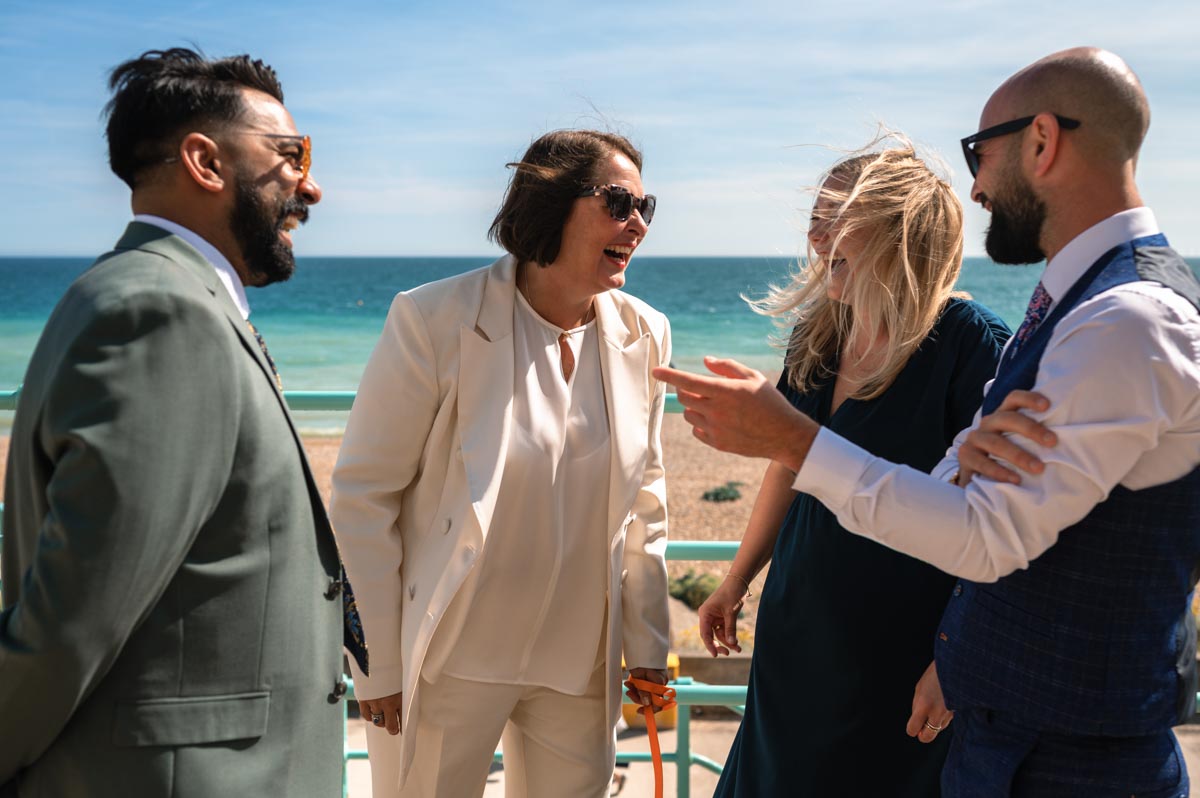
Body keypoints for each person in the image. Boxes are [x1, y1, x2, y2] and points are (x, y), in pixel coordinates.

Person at [655, 47, 1200, 797]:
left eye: (982, 152)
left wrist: (792, 438)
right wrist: (746, 568)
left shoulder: (1124, 320)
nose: (972, 186)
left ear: (1042, 141)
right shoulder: (1075, 310)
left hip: (1063, 748)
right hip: (985, 725)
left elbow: (985, 536)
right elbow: (967, 494)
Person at [0, 48, 351, 797]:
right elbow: (74, 618)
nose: (310, 185)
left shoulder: (142, 294)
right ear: (205, 161)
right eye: (291, 155)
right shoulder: (162, 312)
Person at [329, 129, 671, 798]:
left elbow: (645, 503)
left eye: (646, 206)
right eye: (618, 201)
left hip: (580, 668)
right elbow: (362, 498)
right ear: (550, 203)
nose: (637, 224)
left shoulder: (645, 332)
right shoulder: (431, 319)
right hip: (449, 662)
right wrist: (375, 667)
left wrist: (649, 650)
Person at [699, 143, 1009, 797]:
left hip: (901, 650)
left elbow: (1002, 523)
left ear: (904, 226)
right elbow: (791, 462)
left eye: (836, 216)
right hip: (796, 631)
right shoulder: (819, 333)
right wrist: (737, 579)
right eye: (814, 218)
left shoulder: (972, 344)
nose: (815, 236)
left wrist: (957, 660)